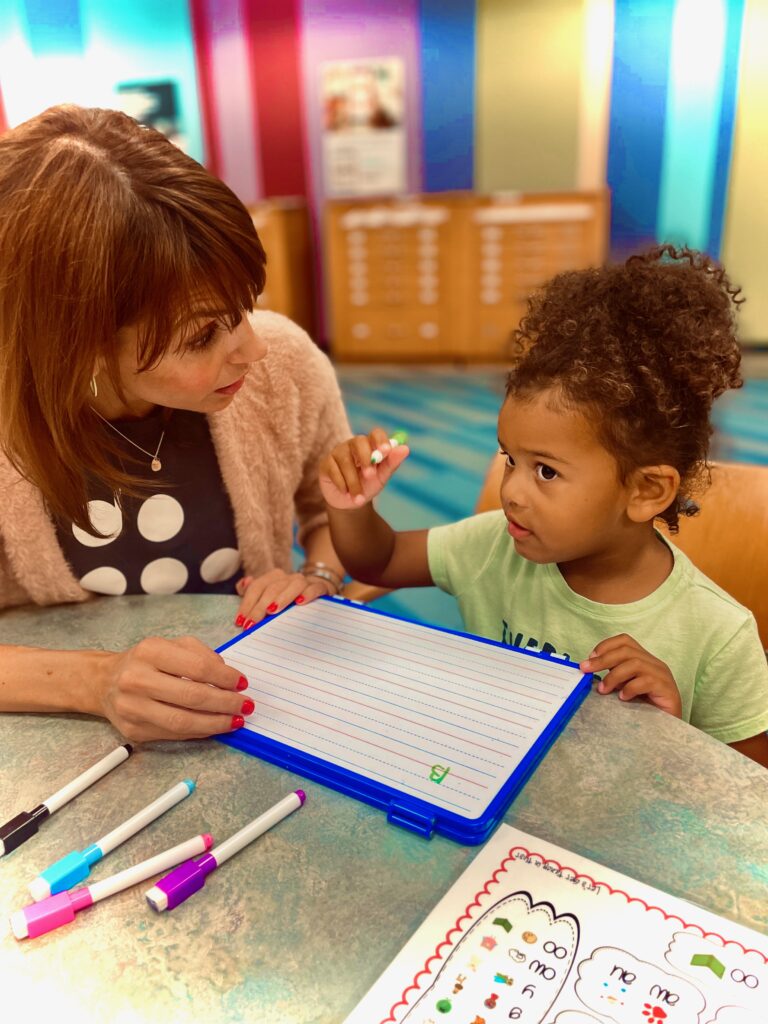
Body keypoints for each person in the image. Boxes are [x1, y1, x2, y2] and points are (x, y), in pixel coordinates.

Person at [319, 246, 768, 768]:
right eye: (510, 459)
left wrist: (670, 734)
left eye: (546, 471)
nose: (511, 490)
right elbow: (379, 560)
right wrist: (350, 507)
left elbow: (749, 789)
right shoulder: (495, 545)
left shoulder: (718, 636)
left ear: (646, 491)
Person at [0, 105, 350, 742]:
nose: (253, 349)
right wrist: (94, 681)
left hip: (253, 709)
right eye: (201, 336)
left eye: (245, 305)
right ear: (76, 346)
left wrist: (317, 577)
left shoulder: (285, 367)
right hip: (60, 741)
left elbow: (329, 516)